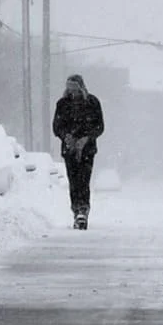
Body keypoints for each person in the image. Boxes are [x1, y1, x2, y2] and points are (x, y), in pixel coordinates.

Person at [52, 74, 104, 229]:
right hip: (69, 149)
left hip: (87, 149)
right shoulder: (62, 104)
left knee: (84, 180)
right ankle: (76, 210)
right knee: (73, 181)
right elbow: (57, 126)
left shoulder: (92, 102)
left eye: (74, 86)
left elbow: (99, 126)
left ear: (81, 86)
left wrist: (86, 138)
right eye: (69, 86)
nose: (72, 90)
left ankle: (83, 210)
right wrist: (66, 136)